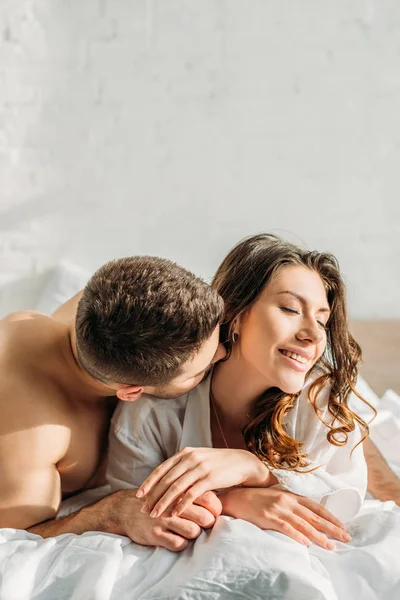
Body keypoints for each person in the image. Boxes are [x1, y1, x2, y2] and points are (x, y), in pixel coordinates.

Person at [107, 233, 399, 553]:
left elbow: (342, 495)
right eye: (290, 309)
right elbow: (137, 509)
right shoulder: (151, 409)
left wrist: (254, 471)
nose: (314, 334)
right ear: (234, 312)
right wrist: (232, 500)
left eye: (321, 320)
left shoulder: (322, 399)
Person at [0, 255, 226, 548]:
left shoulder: (110, 300)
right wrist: (112, 512)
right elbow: (14, 537)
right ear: (130, 392)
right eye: (201, 370)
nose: (222, 354)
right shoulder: (32, 436)